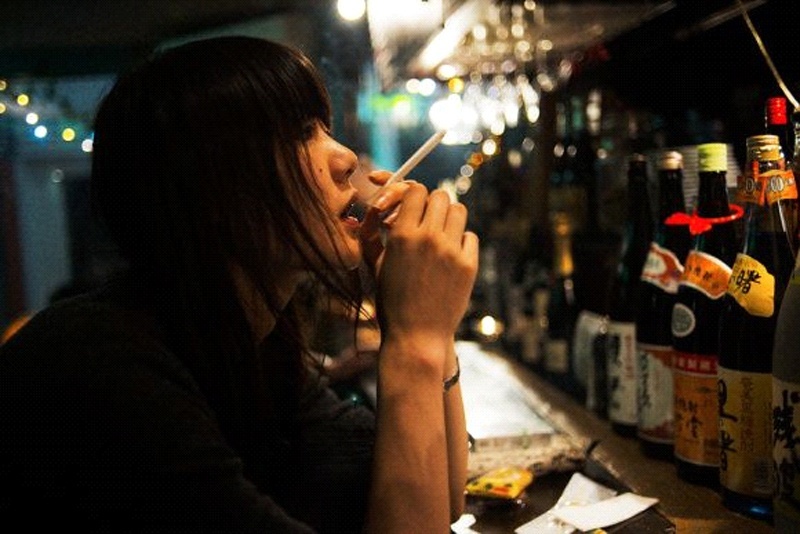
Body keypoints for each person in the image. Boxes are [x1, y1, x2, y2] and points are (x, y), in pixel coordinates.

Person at [0, 36, 478, 532]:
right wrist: (415, 340)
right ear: (212, 186)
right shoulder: (101, 371)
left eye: (325, 129)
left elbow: (439, 507)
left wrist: (429, 325)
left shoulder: (252, 347)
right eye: (301, 133)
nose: (345, 159)